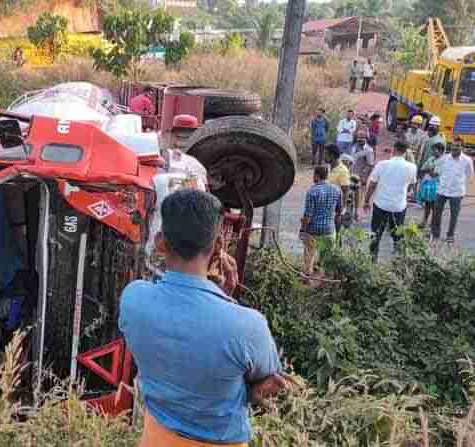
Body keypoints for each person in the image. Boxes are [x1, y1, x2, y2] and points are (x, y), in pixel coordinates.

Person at [119, 189, 288, 447]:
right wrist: (226, 299)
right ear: (219, 245)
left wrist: (220, 297)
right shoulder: (248, 326)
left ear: (161, 242)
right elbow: (272, 385)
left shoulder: (133, 300)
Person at [363, 141, 417, 261]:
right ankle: (398, 261)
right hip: (399, 207)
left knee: (376, 234)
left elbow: (372, 184)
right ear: (405, 151)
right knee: (397, 235)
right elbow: (412, 185)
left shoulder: (382, 164)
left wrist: (366, 201)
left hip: (381, 205)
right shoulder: (412, 167)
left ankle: (373, 260)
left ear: (394, 149)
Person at [431, 138, 474, 244]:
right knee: (436, 213)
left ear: (462, 147)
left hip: (457, 192)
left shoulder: (467, 160)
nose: (455, 147)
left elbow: (469, 175)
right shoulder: (444, 159)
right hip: (442, 190)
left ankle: (450, 235)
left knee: (454, 215)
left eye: (458, 145)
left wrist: (460, 183)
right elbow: (437, 172)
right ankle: (435, 234)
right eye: (453, 145)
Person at [301, 166, 342, 277]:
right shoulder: (337, 190)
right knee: (326, 259)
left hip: (313, 231)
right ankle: (324, 281)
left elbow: (308, 216)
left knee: (309, 256)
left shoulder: (312, 191)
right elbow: (339, 211)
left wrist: (302, 230)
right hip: (329, 230)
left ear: (316, 175)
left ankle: (307, 278)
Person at [417, 142, 444, 229]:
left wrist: (428, 170)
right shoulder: (431, 159)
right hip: (428, 185)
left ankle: (433, 224)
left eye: (434, 150)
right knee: (428, 205)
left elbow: (435, 174)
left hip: (437, 187)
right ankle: (424, 221)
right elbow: (423, 169)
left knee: (434, 206)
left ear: (440, 151)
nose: (433, 152)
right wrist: (429, 170)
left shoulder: (443, 161)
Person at [353, 133, 375, 218]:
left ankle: (357, 213)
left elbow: (370, 165)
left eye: (362, 138)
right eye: (358, 138)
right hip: (352, 174)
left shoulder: (369, 150)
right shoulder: (354, 147)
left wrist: (364, 176)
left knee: (359, 196)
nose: (360, 140)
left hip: (361, 176)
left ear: (366, 139)